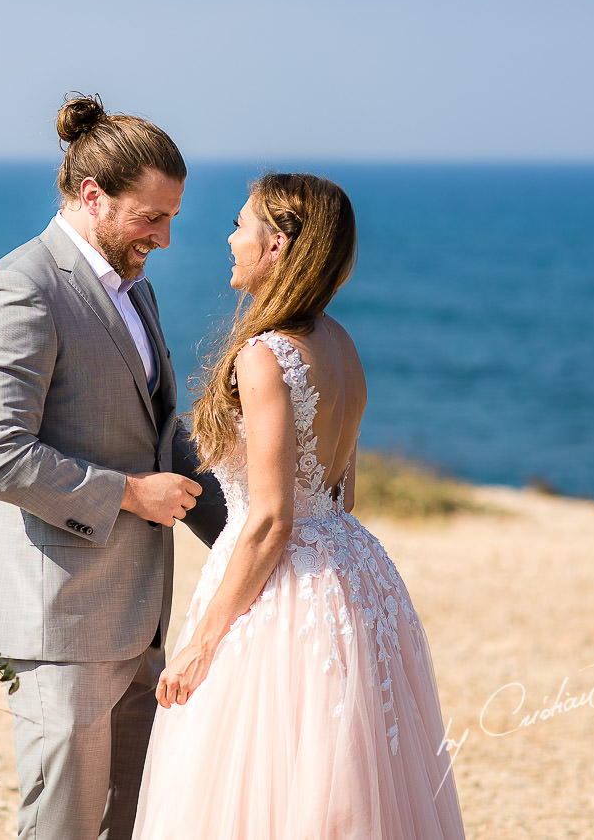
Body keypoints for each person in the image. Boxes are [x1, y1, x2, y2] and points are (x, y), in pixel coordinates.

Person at [132, 174, 466, 838]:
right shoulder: (341, 345)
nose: (230, 239)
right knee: (340, 774)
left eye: (240, 224)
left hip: (282, 588)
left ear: (277, 243)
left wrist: (201, 643)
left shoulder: (265, 356)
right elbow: (341, 492)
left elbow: (271, 516)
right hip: (352, 575)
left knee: (256, 777)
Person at [0, 93, 226, 840]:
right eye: (151, 217)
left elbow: (158, 431)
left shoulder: (135, 290)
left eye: (172, 217)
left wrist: (241, 534)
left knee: (130, 827)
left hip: (143, 621)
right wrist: (132, 494)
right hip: (61, 621)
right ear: (92, 196)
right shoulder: (19, 291)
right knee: (62, 829)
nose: (166, 237)